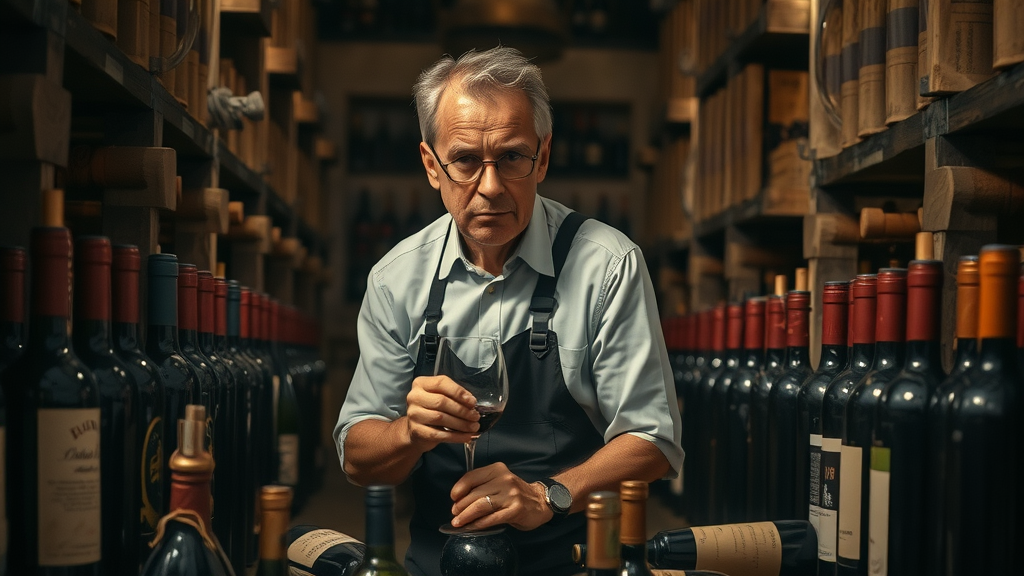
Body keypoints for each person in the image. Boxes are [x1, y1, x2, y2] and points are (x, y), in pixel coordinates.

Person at [334, 46, 683, 576]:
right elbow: (358, 457)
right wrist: (409, 432)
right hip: (436, 564)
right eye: (465, 161)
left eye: (513, 158)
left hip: (575, 563)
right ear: (431, 165)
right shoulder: (395, 279)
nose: (491, 187)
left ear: (543, 157)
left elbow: (653, 441)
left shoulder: (608, 265)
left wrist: (549, 495)